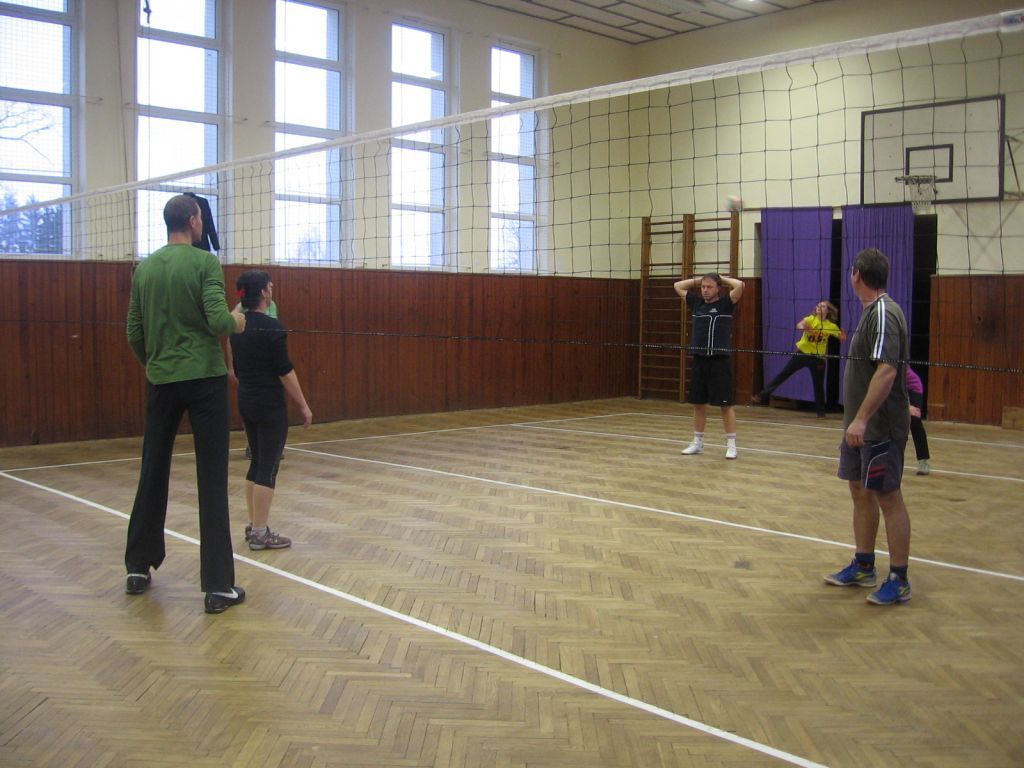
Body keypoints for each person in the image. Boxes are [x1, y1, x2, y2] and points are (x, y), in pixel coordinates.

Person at [125, 194, 247, 614]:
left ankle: (137, 567)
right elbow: (217, 320)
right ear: (194, 220)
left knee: (152, 469)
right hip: (204, 381)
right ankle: (218, 586)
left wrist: (154, 363)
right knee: (211, 479)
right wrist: (237, 320)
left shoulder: (146, 268)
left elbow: (134, 330)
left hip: (162, 380)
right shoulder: (204, 263)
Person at [824, 247, 912, 605]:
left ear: (857, 274)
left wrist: (861, 419)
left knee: (888, 496)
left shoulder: (884, 312)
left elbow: (887, 370)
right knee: (859, 491)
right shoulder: (870, 312)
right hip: (859, 426)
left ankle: (899, 579)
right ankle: (863, 565)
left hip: (879, 426)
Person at [229, 270, 312, 551]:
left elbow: (235, 367)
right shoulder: (273, 327)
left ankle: (255, 525)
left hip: (247, 401)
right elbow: (285, 371)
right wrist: (303, 405)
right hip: (269, 405)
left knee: (256, 462)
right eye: (270, 286)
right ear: (264, 292)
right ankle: (260, 533)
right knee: (268, 466)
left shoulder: (237, 327)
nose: (273, 288)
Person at [673, 272, 745, 459]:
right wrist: (700, 280)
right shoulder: (697, 303)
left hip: (719, 361)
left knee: (725, 405)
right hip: (699, 359)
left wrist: (720, 277)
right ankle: (697, 442)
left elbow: (740, 285)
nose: (705, 290)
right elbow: (677, 286)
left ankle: (731, 445)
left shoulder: (726, 304)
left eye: (709, 287)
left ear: (718, 288)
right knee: (698, 403)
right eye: (703, 287)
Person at [752, 300, 846, 417]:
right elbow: (799, 325)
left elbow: (842, 337)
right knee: (784, 374)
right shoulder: (810, 319)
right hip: (802, 354)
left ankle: (821, 413)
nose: (819, 307)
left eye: (822, 306)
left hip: (818, 358)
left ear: (828, 311)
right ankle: (762, 395)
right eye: (818, 305)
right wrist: (804, 327)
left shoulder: (830, 326)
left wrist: (842, 335)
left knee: (818, 385)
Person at [906, 365, 931, 475]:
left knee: (914, 421)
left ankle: (923, 460)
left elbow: (897, 385)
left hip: (913, 388)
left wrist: (907, 406)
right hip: (895, 388)